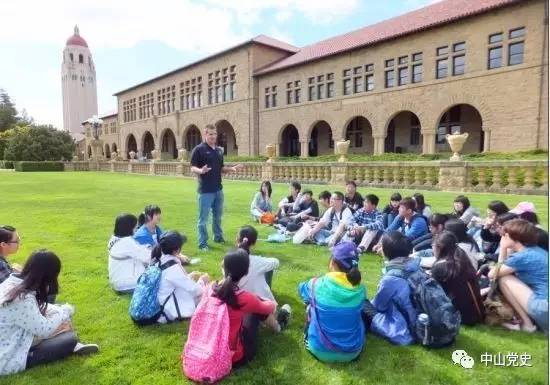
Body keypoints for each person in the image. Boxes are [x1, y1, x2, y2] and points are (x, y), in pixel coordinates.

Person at [0, 250, 98, 375]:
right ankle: (72, 344)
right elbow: (44, 329)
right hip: (9, 357)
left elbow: (36, 313)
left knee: (57, 312)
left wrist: (60, 311)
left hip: (14, 337)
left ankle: (69, 338)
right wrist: (65, 312)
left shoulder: (11, 282)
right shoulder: (22, 299)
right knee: (69, 338)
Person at [212, 249, 284, 366]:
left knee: (254, 307)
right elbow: (270, 308)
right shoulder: (244, 298)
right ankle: (278, 327)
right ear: (245, 272)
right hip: (233, 357)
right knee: (259, 310)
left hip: (207, 350)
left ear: (223, 268)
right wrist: (261, 300)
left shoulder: (210, 289)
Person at [298, 242, 366, 362]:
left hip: (320, 350)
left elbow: (301, 289)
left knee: (309, 305)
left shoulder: (316, 284)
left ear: (332, 262)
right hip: (353, 352)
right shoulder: (361, 290)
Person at [489, 219, 548, 333]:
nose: (502, 237)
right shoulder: (538, 251)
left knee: (504, 279)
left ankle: (528, 325)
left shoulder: (522, 257)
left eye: (504, 235)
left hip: (545, 308)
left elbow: (493, 274)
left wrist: (502, 248)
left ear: (511, 237)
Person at [190, 124, 243, 251]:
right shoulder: (198, 150)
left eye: (215, 134)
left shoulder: (219, 150)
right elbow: (192, 167)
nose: (213, 136)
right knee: (203, 219)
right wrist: (200, 171)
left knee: (217, 216)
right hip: (205, 191)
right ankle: (203, 243)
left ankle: (218, 237)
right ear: (205, 134)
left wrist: (232, 168)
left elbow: (221, 168)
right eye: (210, 134)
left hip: (218, 189)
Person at [234, 226, 291, 332]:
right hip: (256, 306)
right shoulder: (257, 262)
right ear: (254, 243)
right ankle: (277, 325)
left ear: (237, 239)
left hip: (235, 303)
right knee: (268, 269)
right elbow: (275, 262)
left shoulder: (228, 261)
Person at [367, 232, 418, 345]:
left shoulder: (391, 278)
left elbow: (379, 306)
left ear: (387, 251)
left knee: (362, 304)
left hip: (405, 331)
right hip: (421, 321)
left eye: (382, 246)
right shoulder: (415, 266)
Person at [152, 231, 209, 322]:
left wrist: (189, 276)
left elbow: (173, 281)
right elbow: (194, 289)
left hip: (158, 303)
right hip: (166, 309)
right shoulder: (172, 267)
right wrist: (202, 282)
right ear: (177, 250)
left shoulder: (158, 259)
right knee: (205, 294)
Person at [431, 231, 485, 325]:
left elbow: (435, 293)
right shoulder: (461, 257)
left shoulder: (440, 267)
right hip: (477, 312)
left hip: (461, 316)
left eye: (432, 245)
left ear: (439, 247)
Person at [108, 214, 152, 293]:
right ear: (129, 227)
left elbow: (137, 250)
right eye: (135, 226)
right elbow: (148, 257)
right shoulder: (127, 242)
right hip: (125, 284)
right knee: (156, 274)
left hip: (117, 280)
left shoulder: (114, 238)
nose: (136, 228)